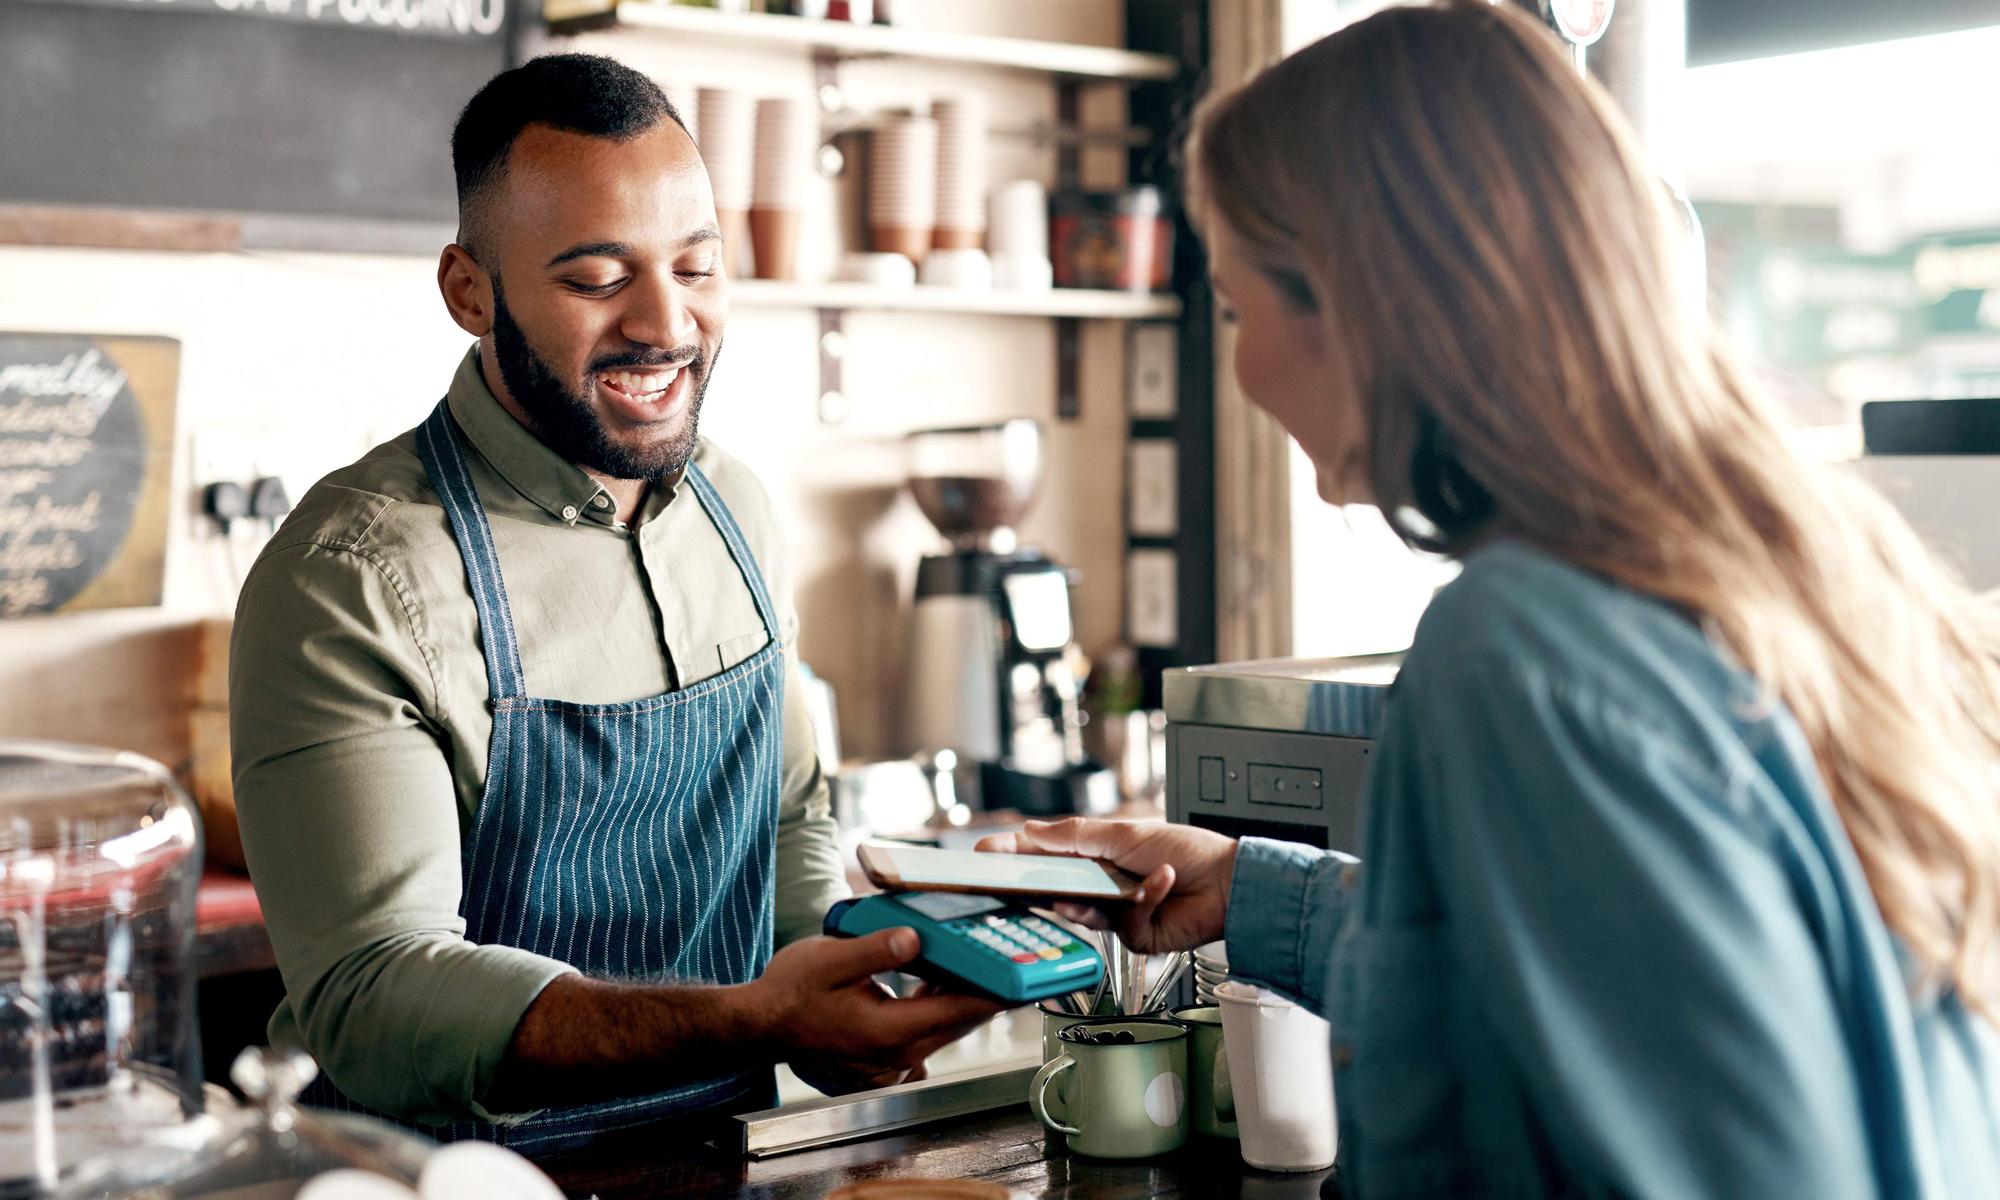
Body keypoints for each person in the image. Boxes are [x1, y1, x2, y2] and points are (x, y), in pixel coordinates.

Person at [981, 4, 2000, 1196]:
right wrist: (1254, 894)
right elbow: (1629, 983)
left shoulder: (1517, 651)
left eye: (1244, 309)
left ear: (1363, 312)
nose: (1243, 364)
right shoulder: (1803, 562)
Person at [230, 54, 997, 1150]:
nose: (665, 324)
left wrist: (843, 977)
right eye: (597, 279)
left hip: (725, 1155)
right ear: (468, 291)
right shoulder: (354, 575)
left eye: (696, 267)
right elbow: (374, 995)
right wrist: (751, 1019)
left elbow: (788, 820)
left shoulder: (735, 509)